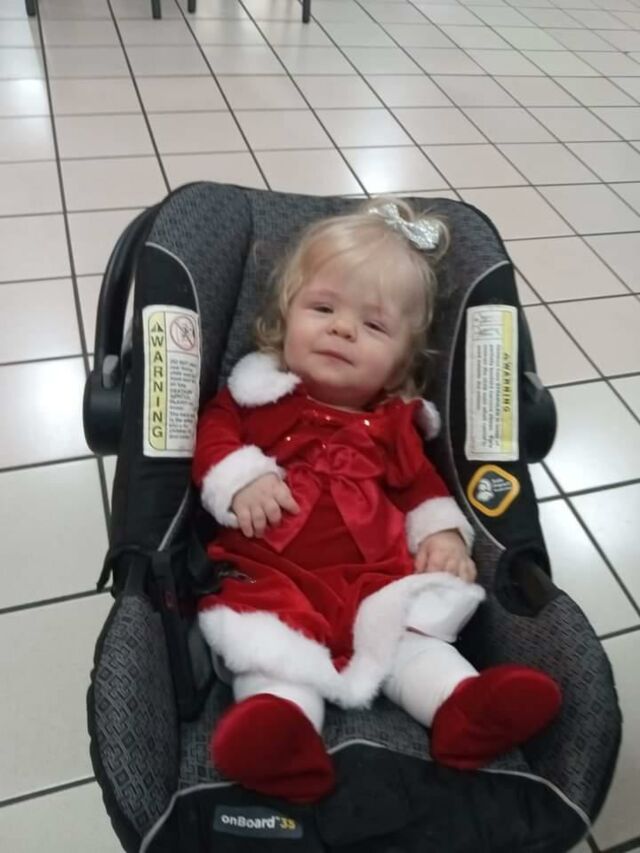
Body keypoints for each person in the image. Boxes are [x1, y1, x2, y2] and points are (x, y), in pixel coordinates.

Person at [193, 198, 561, 804]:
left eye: (374, 326)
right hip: (272, 572)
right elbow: (212, 438)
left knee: (411, 637)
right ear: (284, 319)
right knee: (269, 643)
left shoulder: (394, 425)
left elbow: (422, 488)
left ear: (397, 366)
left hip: (376, 577)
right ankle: (280, 734)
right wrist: (239, 478)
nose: (342, 329)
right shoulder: (255, 397)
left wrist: (442, 534)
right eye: (323, 309)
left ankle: (462, 708)